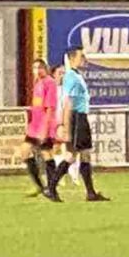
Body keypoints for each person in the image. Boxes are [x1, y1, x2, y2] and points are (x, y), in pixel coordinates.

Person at [45, 47, 109, 203]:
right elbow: (67, 102)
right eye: (81, 56)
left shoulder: (76, 75)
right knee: (72, 155)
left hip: (82, 117)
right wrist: (66, 126)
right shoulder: (71, 77)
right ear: (72, 58)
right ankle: (51, 187)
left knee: (85, 153)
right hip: (76, 118)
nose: (84, 58)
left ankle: (91, 193)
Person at [21, 59, 58, 196]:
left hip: (44, 125)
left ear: (44, 69)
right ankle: (40, 186)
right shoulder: (38, 83)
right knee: (24, 151)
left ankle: (51, 187)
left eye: (38, 68)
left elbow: (49, 108)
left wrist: (45, 129)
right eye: (34, 68)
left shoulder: (50, 83)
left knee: (46, 154)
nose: (36, 71)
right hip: (34, 126)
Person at [51, 64, 80, 187]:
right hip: (55, 122)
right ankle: (59, 177)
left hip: (68, 121)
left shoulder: (68, 89)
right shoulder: (51, 89)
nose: (62, 76)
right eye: (60, 73)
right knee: (56, 149)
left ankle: (74, 176)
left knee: (72, 149)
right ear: (54, 74)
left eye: (64, 73)